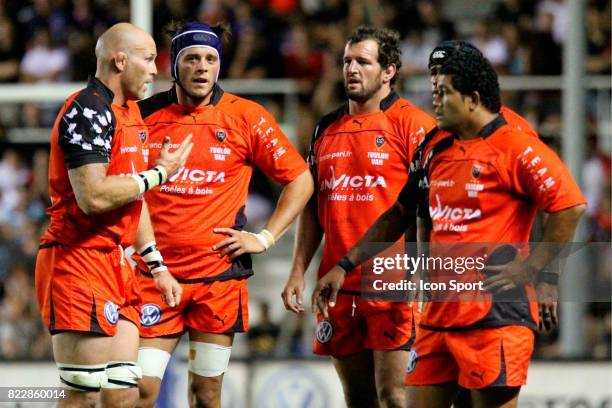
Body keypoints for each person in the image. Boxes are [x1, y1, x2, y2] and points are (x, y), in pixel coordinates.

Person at [314, 48, 586, 408]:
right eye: (434, 90)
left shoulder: (516, 144)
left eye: (443, 93)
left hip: (495, 315)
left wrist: (538, 270)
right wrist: (345, 265)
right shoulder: (435, 148)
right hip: (441, 314)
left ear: (473, 99)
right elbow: (401, 212)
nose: (435, 102)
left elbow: (569, 205)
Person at [134, 21, 313, 408]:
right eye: (192, 58)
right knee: (140, 391)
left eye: (211, 59)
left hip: (218, 280)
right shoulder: (140, 117)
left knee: (207, 394)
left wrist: (265, 237)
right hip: (154, 276)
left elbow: (300, 180)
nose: (202, 67)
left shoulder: (245, 117)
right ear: (174, 66)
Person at [34, 23, 192, 408]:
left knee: (123, 395)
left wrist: (156, 264)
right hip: (78, 261)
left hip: (118, 267)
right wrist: (158, 174)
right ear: (120, 60)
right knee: (82, 397)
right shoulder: (87, 109)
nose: (157, 69)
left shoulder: (132, 115)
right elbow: (93, 196)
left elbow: (130, 200)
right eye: (149, 58)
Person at [283, 26, 435, 407]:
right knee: (358, 399)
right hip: (337, 285)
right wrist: (298, 270)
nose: (351, 68)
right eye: (347, 61)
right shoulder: (325, 128)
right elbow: (314, 209)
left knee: (394, 396)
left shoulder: (413, 125)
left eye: (363, 62)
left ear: (389, 71)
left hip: (394, 285)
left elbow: (426, 206)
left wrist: (425, 268)